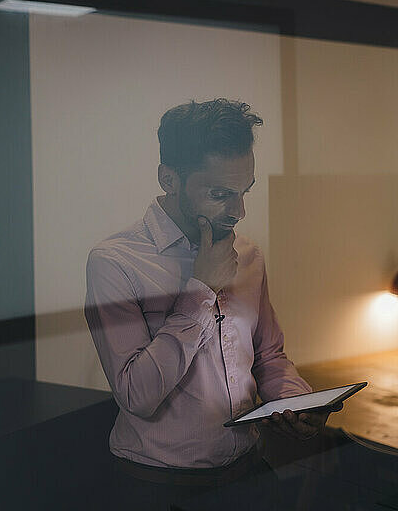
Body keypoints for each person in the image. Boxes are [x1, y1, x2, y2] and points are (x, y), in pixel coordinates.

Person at [84, 98, 341, 510]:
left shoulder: (249, 255)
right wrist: (201, 289)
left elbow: (269, 356)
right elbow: (137, 395)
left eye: (245, 191)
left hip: (248, 474)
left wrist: (295, 401)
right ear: (169, 179)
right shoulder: (115, 263)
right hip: (157, 488)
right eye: (220, 193)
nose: (239, 211)